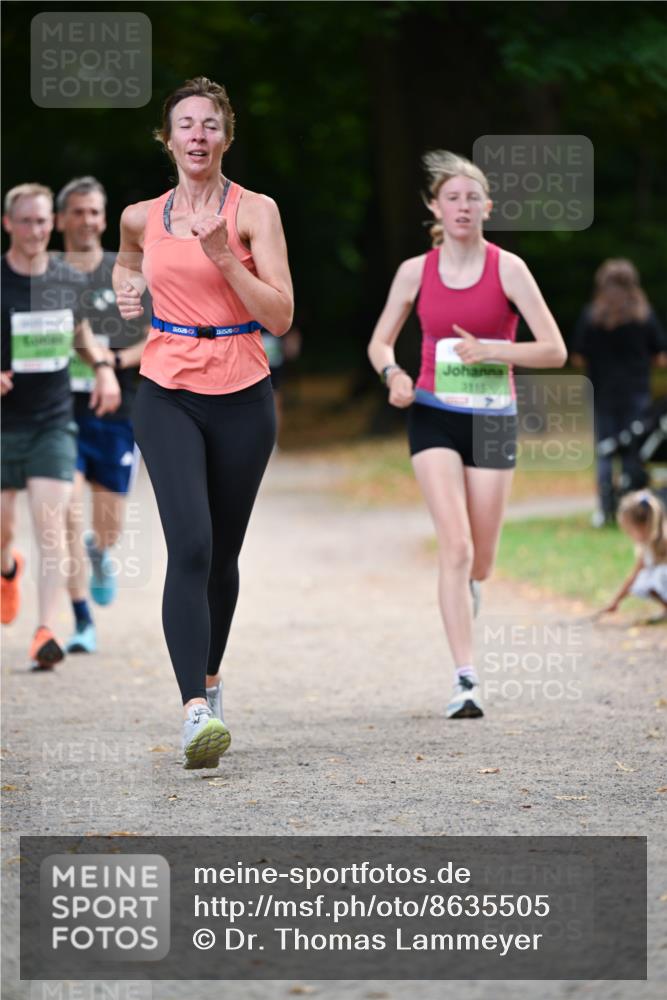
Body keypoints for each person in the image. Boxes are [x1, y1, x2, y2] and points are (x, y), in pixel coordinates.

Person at [113, 77, 293, 768]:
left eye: (209, 125)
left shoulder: (256, 213)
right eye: (184, 124)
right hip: (165, 390)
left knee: (221, 555)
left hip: (244, 390)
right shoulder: (140, 215)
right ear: (168, 138)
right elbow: (128, 262)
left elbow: (279, 315)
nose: (196, 135)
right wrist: (126, 287)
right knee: (188, 543)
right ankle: (193, 712)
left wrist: (223, 255)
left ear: (225, 136)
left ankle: (211, 682)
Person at [367, 150, 567, 720]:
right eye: (451, 197)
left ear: (487, 207)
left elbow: (553, 350)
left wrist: (495, 350)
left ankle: (473, 585)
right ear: (435, 206)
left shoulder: (509, 269)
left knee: (481, 558)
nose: (462, 206)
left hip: (493, 418)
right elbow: (380, 342)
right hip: (432, 411)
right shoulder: (414, 272)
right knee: (453, 545)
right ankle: (466, 678)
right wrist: (394, 374)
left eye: (472, 197)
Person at [1, 183, 120, 668]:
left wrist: (104, 368)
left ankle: (45, 629)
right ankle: (8, 570)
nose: (36, 230)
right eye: (26, 221)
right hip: (5, 425)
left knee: (51, 526)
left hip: (53, 422)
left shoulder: (66, 279)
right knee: (3, 531)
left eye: (43, 221)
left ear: (55, 223)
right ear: (8, 223)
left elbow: (79, 334)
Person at [55, 176, 149, 654]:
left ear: (105, 219)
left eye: (95, 212)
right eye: (78, 212)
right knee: (66, 511)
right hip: (59, 410)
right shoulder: (43, 276)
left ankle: (101, 551)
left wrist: (112, 364)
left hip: (117, 410)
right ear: (60, 220)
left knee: (106, 524)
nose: (87, 221)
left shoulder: (123, 273)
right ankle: (81, 621)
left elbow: (155, 336)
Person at [569, 259, 667, 527]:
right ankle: (632, 509)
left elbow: (577, 356)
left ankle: (604, 509)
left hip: (602, 393)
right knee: (633, 449)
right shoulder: (643, 317)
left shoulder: (592, 316)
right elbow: (660, 356)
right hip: (636, 392)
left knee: (604, 451)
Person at [599, 489, 667, 620]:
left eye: (630, 531)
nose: (628, 535)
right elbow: (634, 577)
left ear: (643, 526)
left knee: (659, 576)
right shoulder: (647, 547)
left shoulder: (664, 541)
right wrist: (616, 601)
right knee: (643, 580)